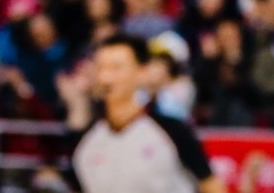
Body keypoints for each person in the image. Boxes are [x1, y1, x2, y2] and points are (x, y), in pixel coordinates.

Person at [59, 33, 225, 193]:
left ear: (141, 71)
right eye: (101, 68)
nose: (107, 78)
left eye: (116, 68)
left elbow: (211, 185)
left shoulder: (172, 131)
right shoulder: (86, 143)